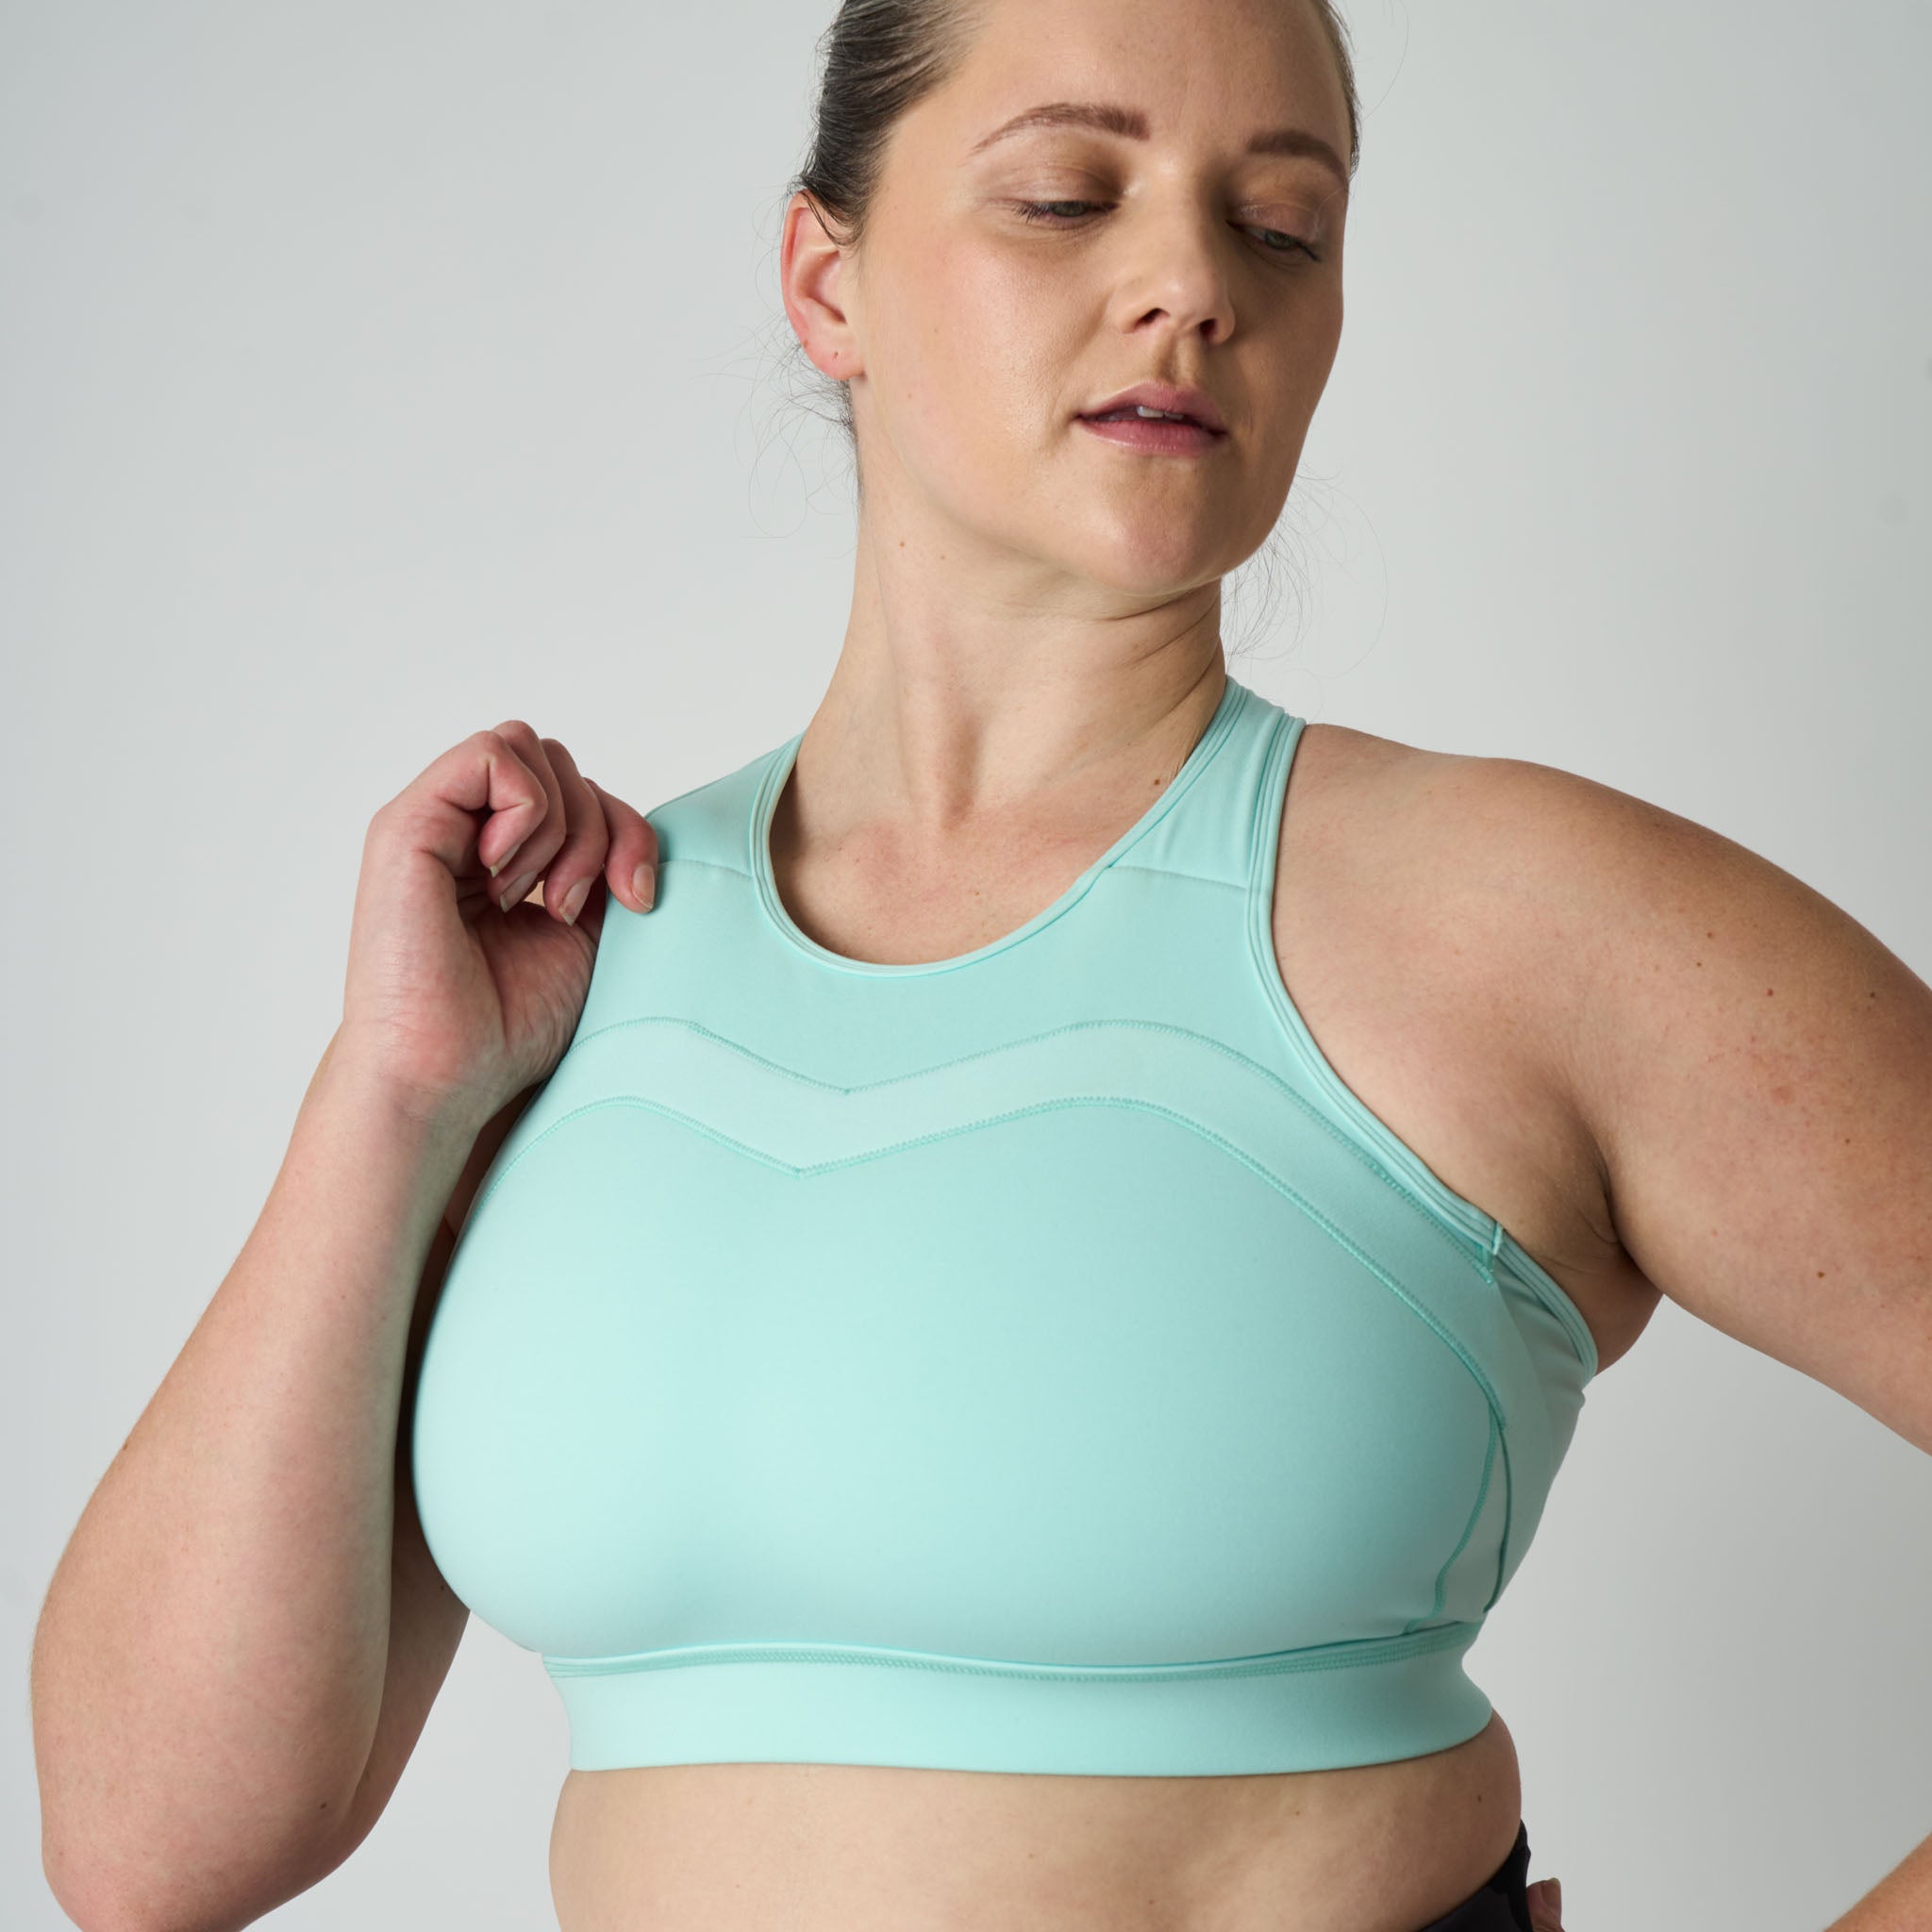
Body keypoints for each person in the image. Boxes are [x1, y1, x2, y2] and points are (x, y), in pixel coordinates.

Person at [31, 0, 1932, 1929]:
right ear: (824, 279)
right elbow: (150, 1847)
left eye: (1280, 224)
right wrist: (390, 1099)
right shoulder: (557, 968)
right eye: (1060, 196)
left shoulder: (1533, 923)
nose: (1189, 281)